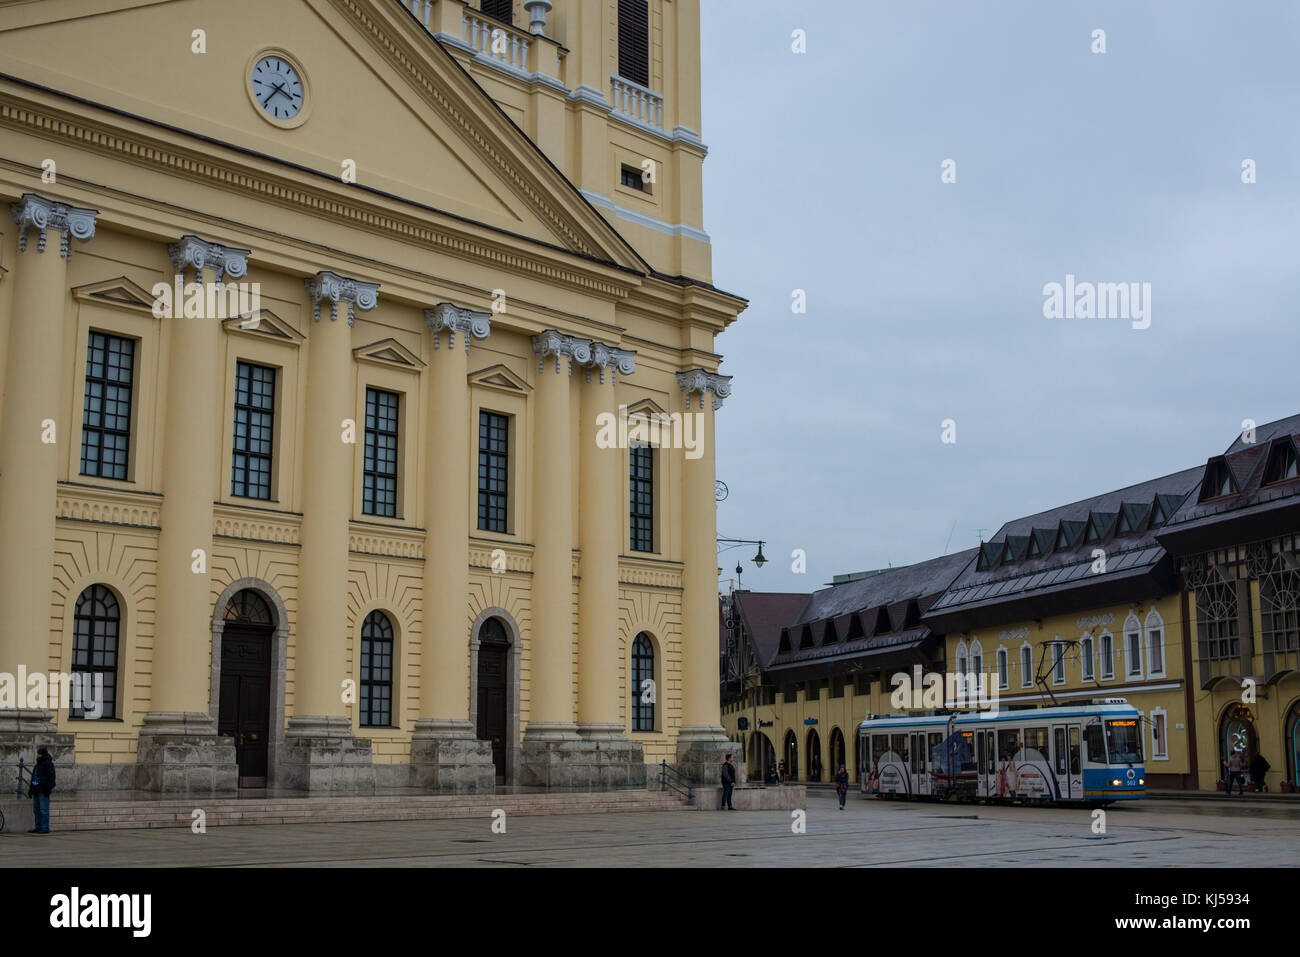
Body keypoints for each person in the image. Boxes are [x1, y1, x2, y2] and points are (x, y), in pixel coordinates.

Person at [28, 746, 55, 834]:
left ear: (42, 755)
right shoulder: (37, 765)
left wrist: (48, 789)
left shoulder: (48, 764)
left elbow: (51, 778)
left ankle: (44, 827)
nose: (37, 756)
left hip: (43, 790)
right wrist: (31, 790)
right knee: (36, 810)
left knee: (44, 810)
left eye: (39, 754)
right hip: (36, 790)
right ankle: (38, 826)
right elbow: (34, 778)